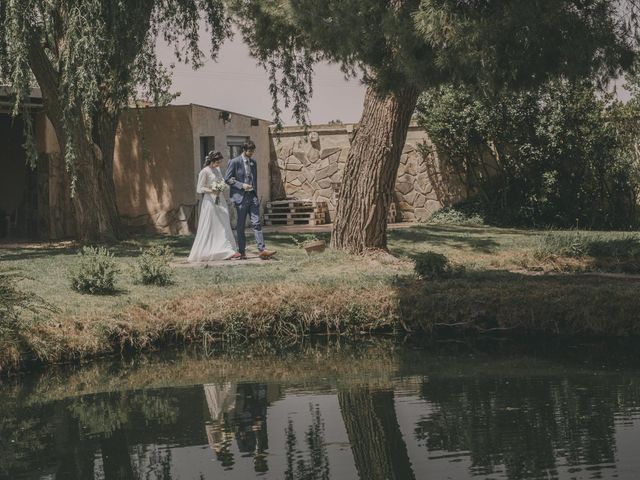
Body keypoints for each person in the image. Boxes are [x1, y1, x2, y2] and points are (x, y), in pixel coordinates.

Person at [224, 140, 276, 259]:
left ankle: (262, 250)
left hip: (252, 197)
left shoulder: (253, 162)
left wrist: (255, 194)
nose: (252, 153)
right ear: (244, 150)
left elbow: (254, 179)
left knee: (256, 223)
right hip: (240, 198)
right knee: (241, 226)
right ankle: (242, 251)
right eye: (250, 151)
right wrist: (241, 185)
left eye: (253, 151)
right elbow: (227, 179)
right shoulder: (234, 162)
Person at [188, 151, 241, 262]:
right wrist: (212, 190)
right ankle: (215, 251)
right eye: (217, 162)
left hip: (220, 199)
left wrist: (222, 187)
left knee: (224, 222)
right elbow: (199, 188)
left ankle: (228, 249)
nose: (218, 164)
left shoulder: (217, 170)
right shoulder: (204, 172)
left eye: (220, 162)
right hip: (210, 201)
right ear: (211, 161)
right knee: (213, 224)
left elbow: (222, 181)